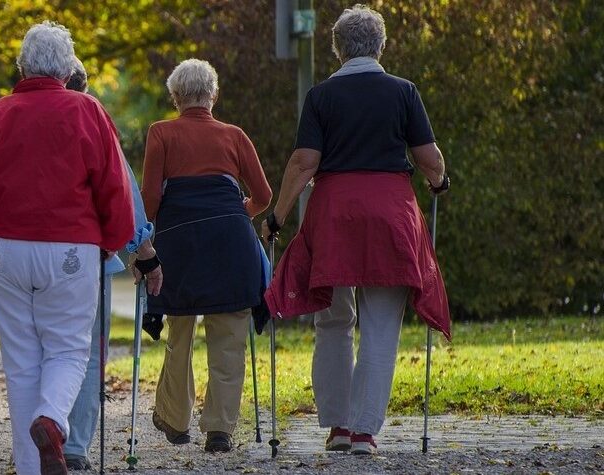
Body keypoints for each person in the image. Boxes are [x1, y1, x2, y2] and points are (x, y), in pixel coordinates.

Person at [0, 21, 134, 475]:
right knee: (67, 350)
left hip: (2, 248)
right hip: (70, 245)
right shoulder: (88, 111)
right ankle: (52, 418)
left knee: (21, 360)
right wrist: (112, 240)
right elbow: (114, 188)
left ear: (22, 66)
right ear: (67, 69)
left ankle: (32, 466)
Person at [261, 4, 451, 456]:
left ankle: (338, 427)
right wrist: (439, 182)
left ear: (338, 49)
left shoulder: (321, 96)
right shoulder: (403, 91)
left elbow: (304, 163)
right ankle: (366, 431)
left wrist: (278, 216)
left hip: (334, 215)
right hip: (390, 213)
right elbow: (429, 159)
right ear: (380, 45)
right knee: (382, 323)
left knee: (332, 319)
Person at [142, 59, 273, 453]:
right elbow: (264, 197)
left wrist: (143, 243)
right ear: (213, 95)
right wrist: (235, 215)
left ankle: (176, 419)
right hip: (230, 245)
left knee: (179, 331)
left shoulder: (160, 133)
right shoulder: (234, 135)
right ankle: (219, 430)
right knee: (230, 335)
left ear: (176, 97)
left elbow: (150, 198)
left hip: (179, 244)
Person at [61, 58, 163, 471]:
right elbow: (124, 195)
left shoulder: (17, 119)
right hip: (90, 256)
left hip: (27, 255)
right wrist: (146, 256)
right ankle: (75, 444)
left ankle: (43, 430)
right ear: (84, 88)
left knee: (42, 350)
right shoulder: (95, 121)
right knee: (88, 351)